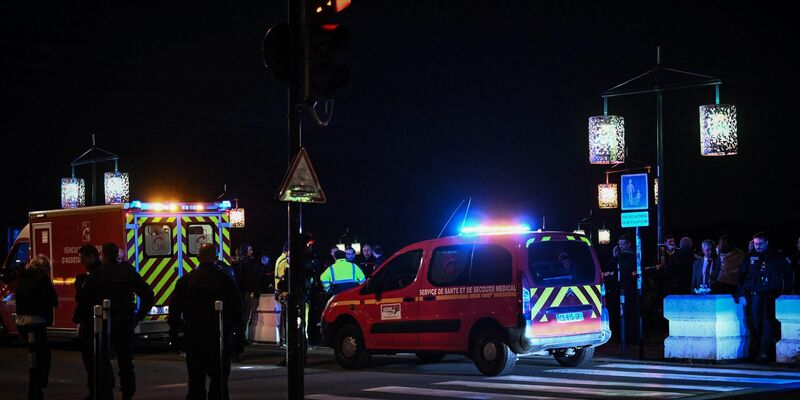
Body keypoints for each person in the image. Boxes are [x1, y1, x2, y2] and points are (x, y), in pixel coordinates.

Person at [77, 242, 154, 400]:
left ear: (103, 255)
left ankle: (106, 394)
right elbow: (148, 294)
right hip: (125, 322)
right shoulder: (128, 272)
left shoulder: (98, 274)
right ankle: (128, 394)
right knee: (126, 364)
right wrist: (137, 317)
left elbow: (84, 299)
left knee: (103, 362)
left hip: (104, 325)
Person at [169, 243, 242, 400]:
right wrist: (238, 338)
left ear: (198, 258)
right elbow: (238, 310)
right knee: (219, 383)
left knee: (196, 383)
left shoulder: (186, 281)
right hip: (219, 338)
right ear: (215, 259)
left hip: (194, 339)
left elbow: (174, 310)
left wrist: (174, 334)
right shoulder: (226, 281)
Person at [739, 232, 793, 362]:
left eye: (760, 244)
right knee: (755, 323)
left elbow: (787, 273)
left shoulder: (775, 256)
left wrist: (786, 292)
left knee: (767, 323)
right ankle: (757, 351)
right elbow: (741, 276)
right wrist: (741, 295)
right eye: (755, 243)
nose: (757, 246)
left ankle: (765, 352)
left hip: (771, 295)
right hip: (754, 295)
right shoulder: (749, 257)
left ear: (766, 243)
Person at [14, 255, 58, 400]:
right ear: (43, 268)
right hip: (37, 321)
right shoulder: (42, 278)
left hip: (21, 322)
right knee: (43, 356)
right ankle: (37, 387)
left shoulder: (21, 277)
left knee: (33, 354)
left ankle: (33, 388)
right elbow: (54, 299)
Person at [74, 244, 102, 399]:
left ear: (92, 256)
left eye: (83, 258)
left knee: (92, 360)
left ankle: (96, 392)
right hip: (96, 323)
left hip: (93, 324)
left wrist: (80, 285)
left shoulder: (94, 275)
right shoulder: (95, 273)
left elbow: (82, 297)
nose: (81, 262)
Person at [606, 235, 638, 344]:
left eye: (623, 244)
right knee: (617, 312)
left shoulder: (632, 256)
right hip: (617, 288)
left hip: (629, 289)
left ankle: (630, 338)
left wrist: (618, 256)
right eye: (619, 244)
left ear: (629, 244)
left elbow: (626, 269)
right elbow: (610, 268)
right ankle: (619, 337)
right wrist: (614, 257)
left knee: (628, 313)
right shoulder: (619, 256)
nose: (621, 246)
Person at [274, 242, 289, 346]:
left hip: (279, 290)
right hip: (282, 292)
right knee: (286, 316)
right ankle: (284, 339)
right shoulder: (284, 260)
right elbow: (284, 277)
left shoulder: (279, 258)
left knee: (284, 316)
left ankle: (283, 339)